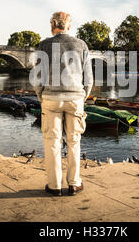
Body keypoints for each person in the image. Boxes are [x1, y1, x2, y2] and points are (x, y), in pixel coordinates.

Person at [33, 11, 93, 196]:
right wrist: (82, 97)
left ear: (53, 26)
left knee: (52, 142)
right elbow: (88, 79)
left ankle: (54, 186)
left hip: (51, 98)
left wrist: (41, 96)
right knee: (74, 142)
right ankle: (74, 183)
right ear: (69, 25)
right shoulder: (81, 45)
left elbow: (37, 78)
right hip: (75, 98)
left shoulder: (43, 45)